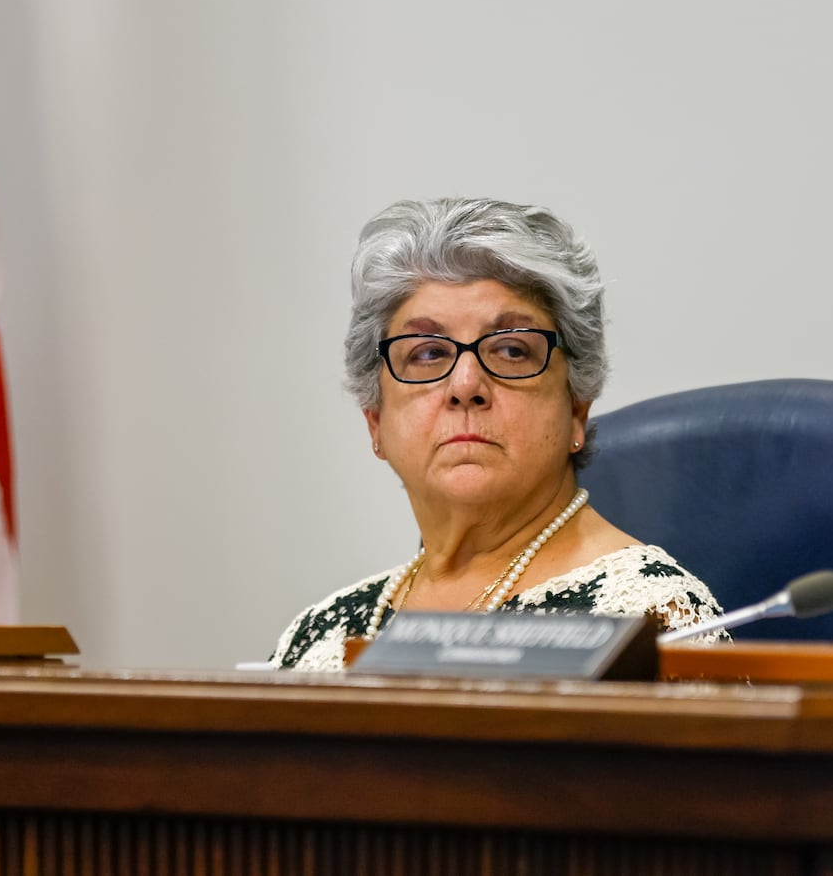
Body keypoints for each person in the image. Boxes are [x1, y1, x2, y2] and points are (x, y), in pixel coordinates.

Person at [269, 197, 722, 670]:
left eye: (510, 350)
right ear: (375, 420)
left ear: (576, 409)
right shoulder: (318, 636)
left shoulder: (652, 621)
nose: (465, 385)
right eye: (427, 354)